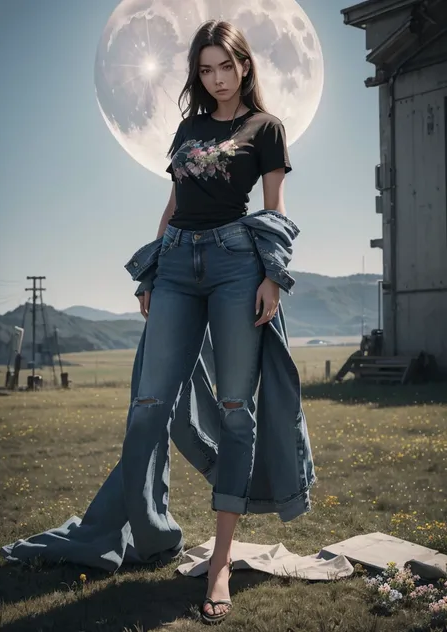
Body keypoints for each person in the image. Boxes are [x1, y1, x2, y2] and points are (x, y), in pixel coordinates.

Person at [133, 19, 292, 624]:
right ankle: (151, 531)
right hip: (175, 264)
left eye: (226, 66)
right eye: (205, 69)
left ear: (244, 66)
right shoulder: (189, 128)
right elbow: (173, 205)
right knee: (149, 403)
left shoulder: (266, 128)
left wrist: (272, 277)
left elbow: (275, 210)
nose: (217, 78)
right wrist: (150, 270)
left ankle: (221, 561)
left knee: (235, 409)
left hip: (234, 266)